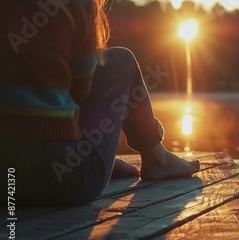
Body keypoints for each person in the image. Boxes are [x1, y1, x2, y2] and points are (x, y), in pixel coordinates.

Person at [0, 0, 200, 206]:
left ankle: (91, 155)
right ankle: (157, 160)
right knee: (122, 61)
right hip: (61, 177)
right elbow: (80, 92)